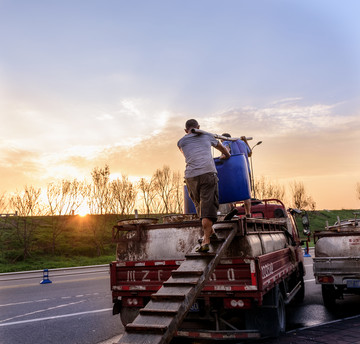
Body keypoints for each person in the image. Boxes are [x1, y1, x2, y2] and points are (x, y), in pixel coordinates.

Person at [177, 119, 230, 252]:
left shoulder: (181, 142)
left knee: (200, 207)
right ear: (198, 127)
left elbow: (188, 154)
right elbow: (222, 148)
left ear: (185, 130)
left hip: (190, 177)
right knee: (207, 207)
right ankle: (206, 240)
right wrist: (227, 154)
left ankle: (211, 233)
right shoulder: (207, 135)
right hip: (207, 173)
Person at [221, 133, 252, 218]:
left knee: (230, 189)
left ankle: (232, 209)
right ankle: (248, 213)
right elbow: (250, 153)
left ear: (222, 139)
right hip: (245, 169)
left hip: (234, 169)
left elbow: (226, 150)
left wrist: (222, 156)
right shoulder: (242, 143)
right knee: (246, 192)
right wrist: (245, 141)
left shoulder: (225, 142)